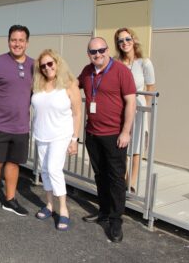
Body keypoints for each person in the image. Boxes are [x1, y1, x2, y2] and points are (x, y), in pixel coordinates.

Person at [78, 37, 136, 243]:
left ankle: (115, 219)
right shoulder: (87, 71)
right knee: (100, 175)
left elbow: (131, 102)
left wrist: (126, 131)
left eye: (101, 50)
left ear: (107, 50)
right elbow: (69, 87)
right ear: (88, 54)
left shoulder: (121, 71)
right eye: (93, 52)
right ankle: (103, 211)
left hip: (114, 135)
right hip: (93, 134)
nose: (98, 54)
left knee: (115, 178)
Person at [0, 25, 34, 227]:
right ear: (8, 41)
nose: (17, 44)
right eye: (13, 40)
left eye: (21, 40)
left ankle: (10, 200)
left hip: (21, 127)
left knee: (13, 164)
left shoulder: (34, 65)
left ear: (27, 42)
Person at [31, 49, 81, 231]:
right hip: (41, 134)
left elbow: (77, 113)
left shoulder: (69, 85)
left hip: (61, 135)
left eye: (50, 63)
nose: (47, 68)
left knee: (54, 169)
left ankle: (64, 210)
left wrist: (74, 139)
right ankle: (49, 205)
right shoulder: (38, 85)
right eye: (43, 66)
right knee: (44, 170)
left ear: (57, 63)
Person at [114, 27, 155, 192]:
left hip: (138, 106)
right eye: (121, 41)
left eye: (127, 39)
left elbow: (151, 87)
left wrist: (145, 108)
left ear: (133, 40)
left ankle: (131, 182)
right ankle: (122, 179)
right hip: (120, 106)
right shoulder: (116, 63)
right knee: (122, 143)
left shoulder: (144, 62)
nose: (125, 43)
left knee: (136, 144)